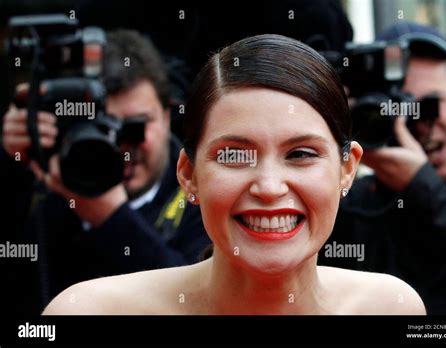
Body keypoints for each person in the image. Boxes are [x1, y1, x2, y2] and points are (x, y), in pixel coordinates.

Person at [42, 34, 425, 315]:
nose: (270, 187)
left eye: (301, 154)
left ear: (346, 170)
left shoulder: (392, 307)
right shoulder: (87, 312)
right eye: (235, 155)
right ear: (189, 174)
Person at [1, 30, 210, 315]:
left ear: (166, 116)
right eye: (100, 128)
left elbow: (198, 301)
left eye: (134, 128)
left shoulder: (204, 190)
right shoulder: (48, 181)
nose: (119, 145)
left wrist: (110, 216)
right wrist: (14, 162)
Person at [320, 22, 446, 314]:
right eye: (397, 108)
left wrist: (422, 188)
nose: (417, 123)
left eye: (428, 106)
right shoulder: (359, 201)